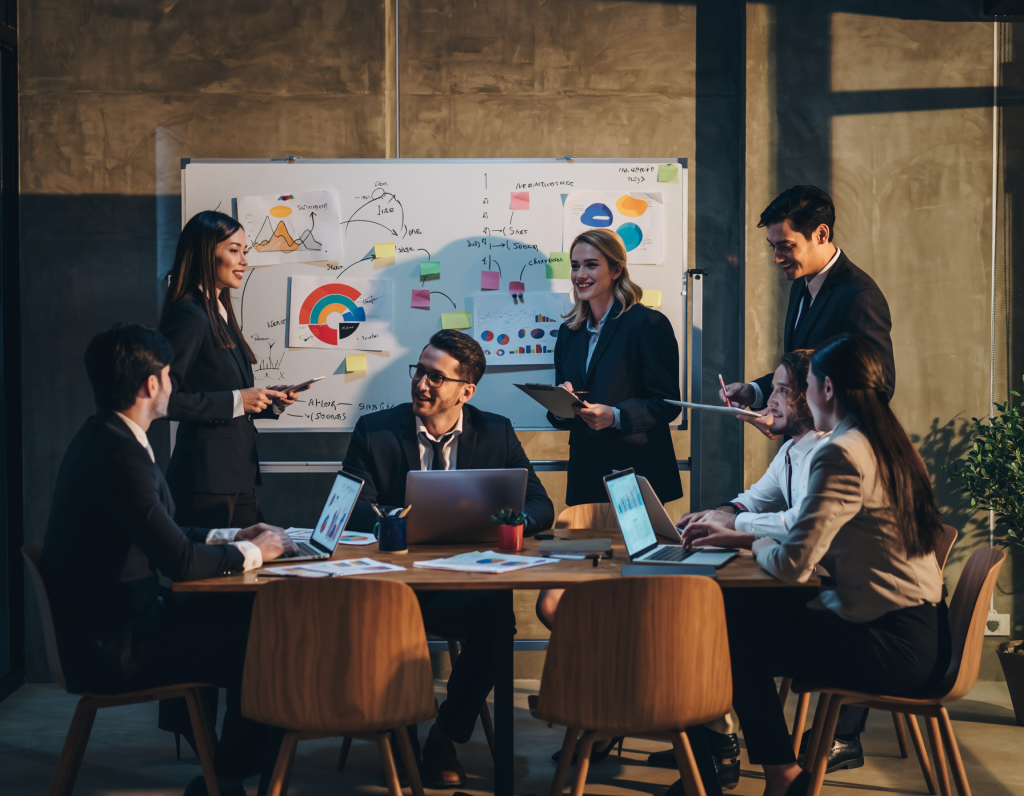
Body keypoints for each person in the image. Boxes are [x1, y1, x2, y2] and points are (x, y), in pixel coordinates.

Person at [37, 323, 296, 796]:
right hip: (115, 647)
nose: (175, 385)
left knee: (252, 618)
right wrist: (258, 551)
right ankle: (231, 778)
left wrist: (234, 534)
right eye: (171, 375)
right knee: (269, 647)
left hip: (119, 621)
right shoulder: (118, 457)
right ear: (151, 384)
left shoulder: (109, 436)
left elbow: (165, 533)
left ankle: (227, 774)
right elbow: (178, 562)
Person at [703, 335, 949, 796]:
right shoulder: (884, 442)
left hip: (892, 645)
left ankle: (780, 776)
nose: (798, 393)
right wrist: (748, 535)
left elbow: (795, 564)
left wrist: (753, 544)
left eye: (807, 383)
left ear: (827, 389)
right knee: (739, 623)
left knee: (732, 640)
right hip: (920, 632)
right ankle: (768, 770)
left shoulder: (840, 452)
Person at [343, 329, 554, 788]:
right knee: (386, 624)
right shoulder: (375, 430)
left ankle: (444, 735)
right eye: (420, 371)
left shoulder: (495, 430)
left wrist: (502, 523)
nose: (421, 383)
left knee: (499, 621)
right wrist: (388, 523)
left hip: (462, 585)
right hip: (390, 585)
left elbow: (540, 506)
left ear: (466, 391)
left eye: (436, 377)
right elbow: (350, 506)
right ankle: (396, 735)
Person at [160, 210, 302, 527]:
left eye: (244, 251)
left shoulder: (219, 311)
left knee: (259, 561)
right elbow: (161, 399)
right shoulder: (190, 315)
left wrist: (267, 400)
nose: (244, 262)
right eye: (234, 250)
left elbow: (222, 391)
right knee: (215, 574)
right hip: (205, 483)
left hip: (237, 477)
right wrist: (239, 400)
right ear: (204, 253)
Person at [719, 186, 895, 437]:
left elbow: (878, 389)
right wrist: (755, 392)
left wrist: (797, 422)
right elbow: (801, 374)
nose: (776, 258)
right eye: (772, 246)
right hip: (801, 454)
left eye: (786, 246)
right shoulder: (800, 285)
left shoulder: (860, 297)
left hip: (835, 454)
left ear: (821, 234)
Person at [545, 228, 682, 505]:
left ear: (616, 270)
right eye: (575, 266)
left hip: (637, 471)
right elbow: (566, 408)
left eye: (591, 265)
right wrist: (561, 405)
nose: (580, 274)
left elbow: (667, 403)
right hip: (586, 474)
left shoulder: (648, 324)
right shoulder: (568, 332)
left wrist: (616, 415)